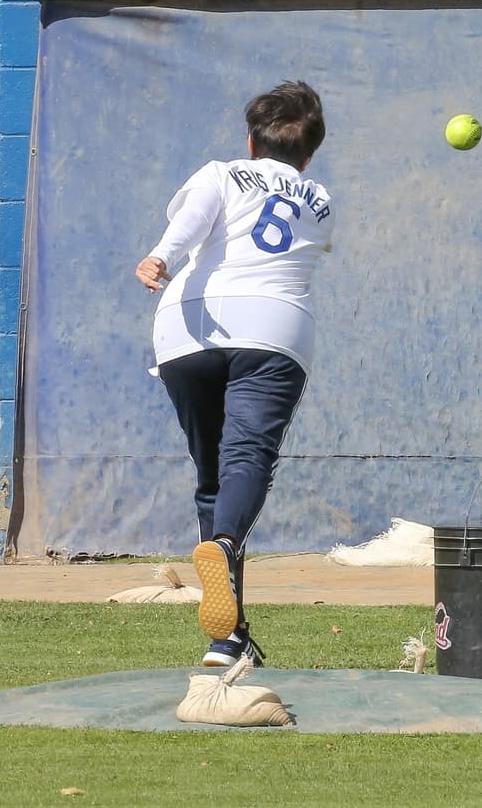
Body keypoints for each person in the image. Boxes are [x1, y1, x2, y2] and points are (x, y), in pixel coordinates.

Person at [134, 80, 334, 667]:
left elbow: (192, 223)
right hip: (272, 329)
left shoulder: (221, 172)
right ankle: (222, 546)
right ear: (311, 153)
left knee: (213, 474)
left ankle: (227, 639)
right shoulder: (320, 200)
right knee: (246, 462)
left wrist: (161, 258)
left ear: (250, 140)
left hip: (186, 329)